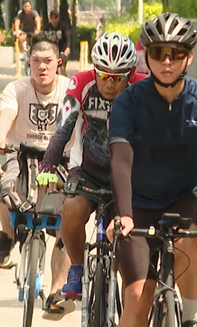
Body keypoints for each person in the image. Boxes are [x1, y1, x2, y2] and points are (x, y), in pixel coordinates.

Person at [106, 13, 197, 327]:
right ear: (146, 56)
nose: (166, 62)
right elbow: (120, 160)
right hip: (139, 203)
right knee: (136, 299)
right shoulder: (127, 102)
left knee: (191, 238)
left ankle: (189, 317)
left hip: (186, 196)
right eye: (158, 53)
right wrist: (123, 214)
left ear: (188, 57)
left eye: (175, 54)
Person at [36, 32, 146, 301]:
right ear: (94, 69)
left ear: (131, 73)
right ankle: (76, 267)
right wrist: (48, 166)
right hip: (88, 169)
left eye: (118, 77)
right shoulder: (81, 82)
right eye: (104, 75)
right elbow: (64, 127)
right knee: (72, 208)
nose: (110, 84)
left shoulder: (144, 87)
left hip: (130, 174)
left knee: (124, 240)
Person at [0, 32, 71, 296]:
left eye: (48, 60)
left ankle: (58, 292)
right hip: (21, 154)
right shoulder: (17, 88)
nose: (42, 66)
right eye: (36, 60)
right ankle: (8, 234)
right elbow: (7, 113)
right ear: (28, 62)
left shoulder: (71, 89)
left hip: (60, 158)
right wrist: (0, 135)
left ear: (59, 62)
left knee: (68, 215)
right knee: (4, 187)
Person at [42, 10, 71, 76]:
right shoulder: (46, 28)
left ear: (58, 18)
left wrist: (68, 48)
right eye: (52, 18)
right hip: (52, 50)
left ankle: (66, 83)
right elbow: (43, 39)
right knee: (54, 68)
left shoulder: (63, 27)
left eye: (55, 18)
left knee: (62, 67)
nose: (54, 20)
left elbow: (68, 38)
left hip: (62, 50)